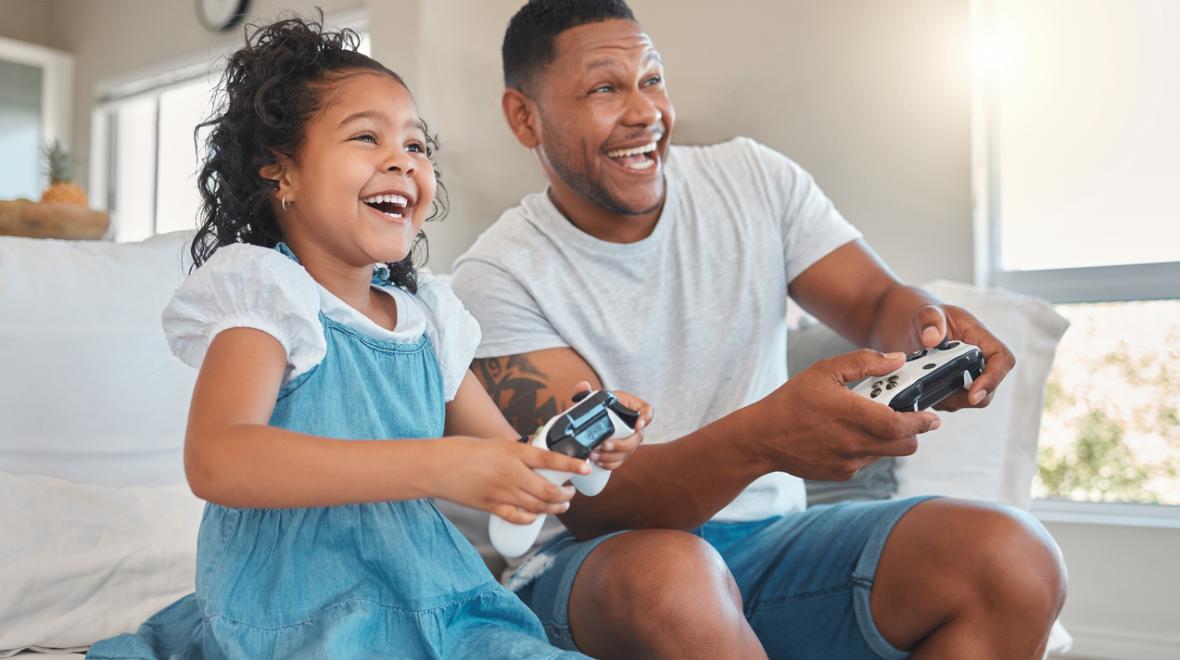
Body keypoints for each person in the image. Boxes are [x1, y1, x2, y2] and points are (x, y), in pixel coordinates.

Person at [449, 1, 1068, 658]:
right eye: (605, 88)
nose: (645, 113)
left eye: (652, 80)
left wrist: (927, 330)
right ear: (524, 116)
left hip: (770, 541)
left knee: (1013, 558)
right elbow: (597, 503)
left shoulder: (752, 179)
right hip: (600, 562)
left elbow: (874, 298)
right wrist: (765, 437)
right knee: (674, 578)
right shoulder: (496, 276)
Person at [87, 15, 650, 659]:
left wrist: (575, 452)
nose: (401, 160)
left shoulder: (427, 321)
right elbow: (219, 461)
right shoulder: (269, 297)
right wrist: (437, 465)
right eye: (365, 137)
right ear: (280, 171)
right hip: (298, 608)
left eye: (415, 145)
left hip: (432, 595)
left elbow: (507, 459)